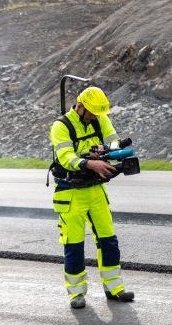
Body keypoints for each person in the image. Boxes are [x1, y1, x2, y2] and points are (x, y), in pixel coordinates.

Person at [49, 86, 134, 310]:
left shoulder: (100, 118)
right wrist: (88, 163)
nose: (97, 117)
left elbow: (113, 140)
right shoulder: (61, 126)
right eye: (93, 113)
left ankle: (114, 288)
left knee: (108, 240)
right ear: (81, 106)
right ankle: (76, 293)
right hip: (70, 193)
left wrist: (113, 153)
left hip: (96, 190)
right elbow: (66, 157)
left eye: (99, 113)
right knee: (74, 245)